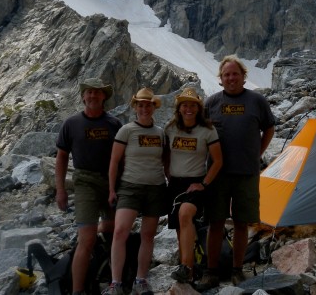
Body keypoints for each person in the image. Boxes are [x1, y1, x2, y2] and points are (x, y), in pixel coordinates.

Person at [196, 55, 275, 290]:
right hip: (217, 174)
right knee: (216, 223)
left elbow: (269, 128)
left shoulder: (257, 101)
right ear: (221, 79)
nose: (231, 78)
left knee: (242, 223)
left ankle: (237, 270)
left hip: (246, 173)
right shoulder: (211, 103)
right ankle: (211, 272)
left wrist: (257, 153)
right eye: (226, 74)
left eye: (235, 74)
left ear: (243, 76)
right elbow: (199, 134)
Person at [55, 78, 122, 295]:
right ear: (83, 97)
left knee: (114, 232)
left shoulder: (114, 124)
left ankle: (116, 281)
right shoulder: (71, 124)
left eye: (97, 93)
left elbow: (123, 157)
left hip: (112, 182)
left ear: (104, 97)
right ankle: (77, 290)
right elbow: (62, 157)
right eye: (89, 93)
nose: (92, 96)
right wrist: (60, 189)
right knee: (87, 238)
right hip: (85, 182)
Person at [103, 88, 167, 295]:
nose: (144, 108)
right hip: (130, 186)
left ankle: (141, 280)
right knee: (120, 232)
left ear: (153, 107)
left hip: (156, 187)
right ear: (135, 107)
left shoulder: (160, 133)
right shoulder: (126, 131)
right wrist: (112, 189)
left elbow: (165, 161)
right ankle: (116, 283)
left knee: (147, 235)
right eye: (141, 105)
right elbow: (114, 161)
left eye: (148, 104)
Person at [164, 87, 223, 284]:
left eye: (192, 105)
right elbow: (165, 156)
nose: (188, 108)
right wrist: (168, 175)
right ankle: (186, 271)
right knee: (181, 228)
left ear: (198, 108)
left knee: (185, 214)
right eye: (185, 105)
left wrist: (204, 183)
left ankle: (187, 268)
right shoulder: (170, 128)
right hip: (175, 183)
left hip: (196, 183)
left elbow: (218, 161)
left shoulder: (207, 130)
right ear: (179, 108)